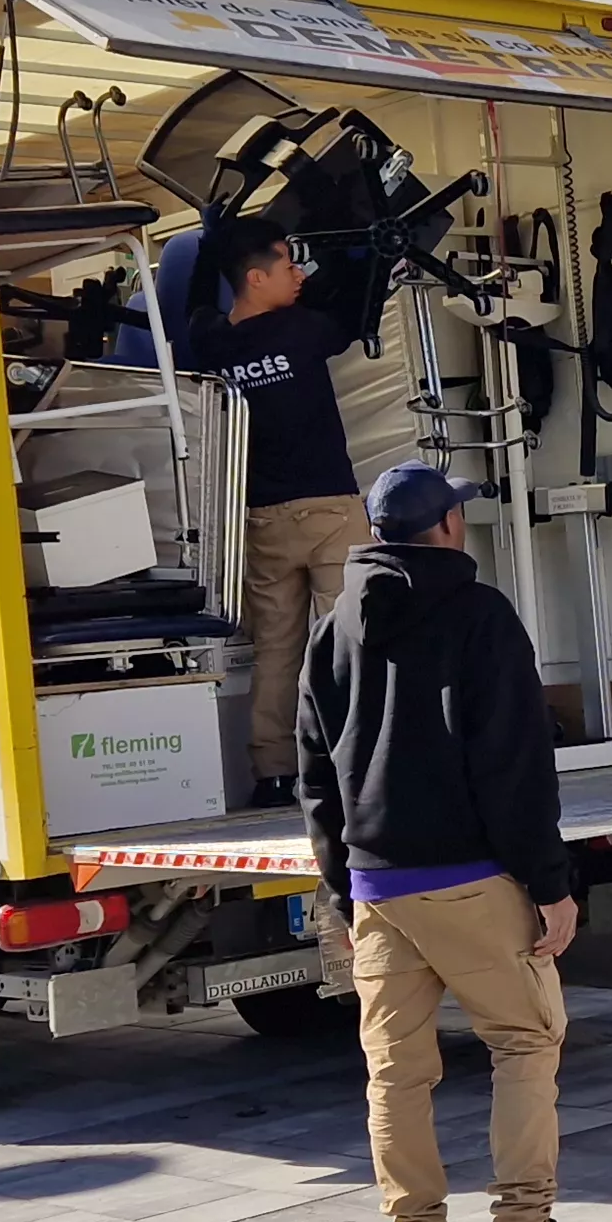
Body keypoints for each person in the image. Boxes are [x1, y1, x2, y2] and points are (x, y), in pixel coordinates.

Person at [300, 461, 605, 1222]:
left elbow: (312, 770)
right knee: (524, 1042)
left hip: (378, 888)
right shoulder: (480, 615)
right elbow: (514, 764)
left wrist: (343, 880)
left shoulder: (334, 630)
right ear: (443, 527)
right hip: (473, 880)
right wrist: (552, 885)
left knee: (395, 1078)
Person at [190, 225, 368, 806]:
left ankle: (272, 771)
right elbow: (352, 306)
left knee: (276, 647)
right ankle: (358, 762)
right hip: (329, 511)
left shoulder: (212, 343)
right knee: (350, 637)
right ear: (255, 277)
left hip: (261, 520)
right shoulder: (302, 329)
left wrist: (212, 239)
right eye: (288, 263)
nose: (299, 273)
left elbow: (197, 304)